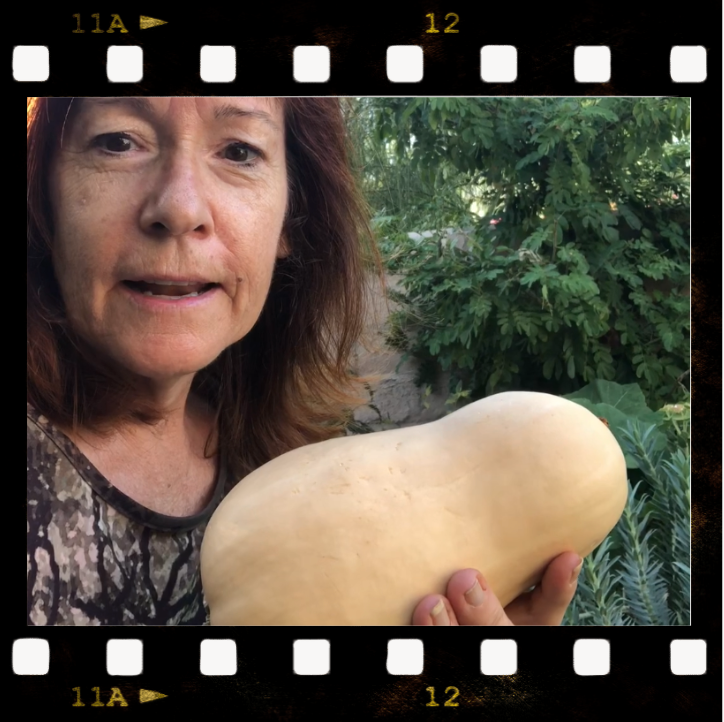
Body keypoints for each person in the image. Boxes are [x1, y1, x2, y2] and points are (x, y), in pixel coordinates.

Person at [27, 97, 581, 626]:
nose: (179, 208)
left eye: (239, 151)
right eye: (119, 141)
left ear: (292, 218)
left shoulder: (285, 461)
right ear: (42, 194)